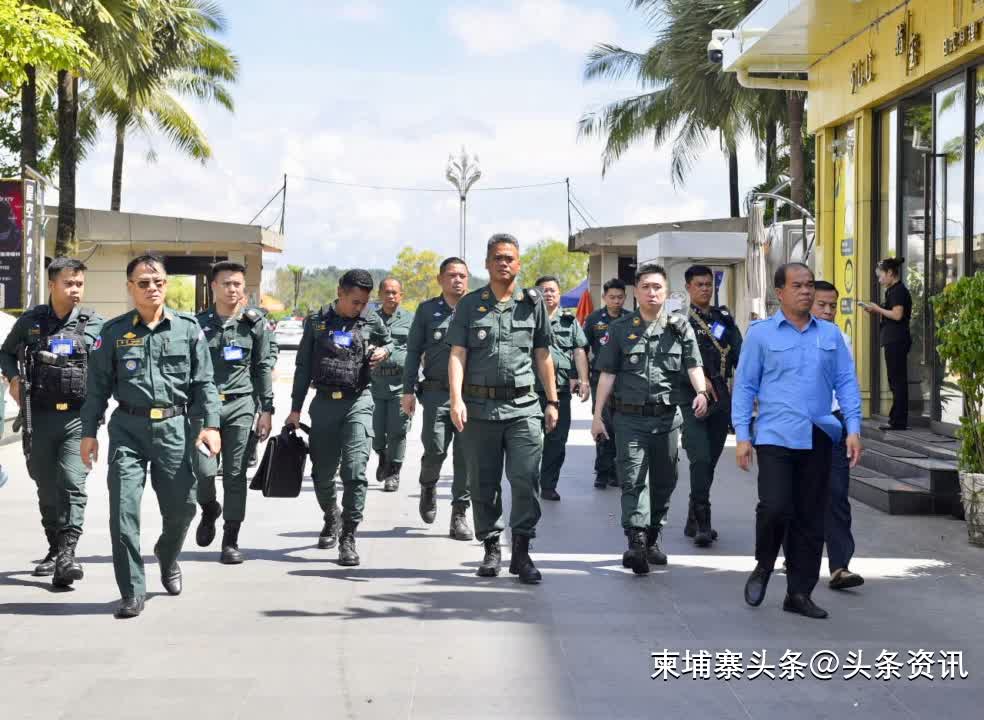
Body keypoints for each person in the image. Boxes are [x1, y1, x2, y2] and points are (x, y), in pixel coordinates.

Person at [81, 255, 221, 618]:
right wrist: (88, 432)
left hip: (175, 430)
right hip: (128, 430)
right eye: (143, 283)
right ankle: (132, 591)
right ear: (130, 288)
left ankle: (167, 554)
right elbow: (96, 389)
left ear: (166, 284)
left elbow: (205, 383)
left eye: (158, 281)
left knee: (183, 507)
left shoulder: (188, 329)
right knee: (123, 512)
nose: (152, 288)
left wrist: (211, 425)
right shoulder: (112, 333)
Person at [734, 263, 862, 620]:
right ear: (780, 293)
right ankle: (764, 564)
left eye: (809, 285)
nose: (806, 291)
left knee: (810, 516)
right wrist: (742, 436)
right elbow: (745, 386)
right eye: (798, 285)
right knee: (775, 506)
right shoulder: (761, 335)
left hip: (820, 434)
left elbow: (846, 382)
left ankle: (799, 592)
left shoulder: (831, 335)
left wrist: (853, 428)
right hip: (775, 435)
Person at [448, 234, 558, 584]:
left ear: (519, 264)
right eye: (497, 257)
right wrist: (456, 399)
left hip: (524, 406)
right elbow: (457, 354)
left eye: (509, 258)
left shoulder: (532, 303)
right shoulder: (470, 305)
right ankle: (492, 546)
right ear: (487, 263)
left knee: (525, 478)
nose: (503, 263)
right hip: (479, 409)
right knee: (484, 482)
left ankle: (521, 551)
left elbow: (543, 353)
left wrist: (552, 400)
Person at [592, 264, 709, 575]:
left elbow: (693, 364)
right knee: (632, 479)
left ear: (666, 292)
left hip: (667, 419)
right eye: (646, 287)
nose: (652, 292)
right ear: (636, 292)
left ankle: (653, 536)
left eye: (657, 287)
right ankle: (637, 541)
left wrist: (701, 392)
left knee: (664, 481)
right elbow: (607, 374)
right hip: (629, 419)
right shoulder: (620, 329)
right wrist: (597, 416)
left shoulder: (679, 327)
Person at [0, 258, 103, 587]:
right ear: (52, 285)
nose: (75, 290)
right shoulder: (31, 321)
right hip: (40, 417)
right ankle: (55, 547)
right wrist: (14, 378)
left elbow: (109, 364)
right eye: (68, 283)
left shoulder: (95, 324)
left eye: (79, 284)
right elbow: (5, 353)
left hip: (77, 419)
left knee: (73, 482)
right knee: (46, 486)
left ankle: (68, 554)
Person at [287, 270, 391, 566]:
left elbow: (392, 343)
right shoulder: (317, 321)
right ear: (340, 293)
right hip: (324, 404)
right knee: (322, 475)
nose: (360, 307)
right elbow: (302, 366)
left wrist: (384, 351)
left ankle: (348, 535)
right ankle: (332, 515)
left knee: (355, 471)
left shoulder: (371, 320)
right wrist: (295, 409)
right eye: (355, 302)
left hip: (358, 401)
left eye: (364, 302)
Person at [191, 261, 276, 565]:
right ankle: (209, 507)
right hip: (205, 406)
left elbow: (262, 367)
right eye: (226, 283)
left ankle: (230, 538)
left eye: (237, 284)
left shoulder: (255, 323)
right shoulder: (196, 324)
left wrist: (267, 409)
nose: (232, 289)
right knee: (203, 471)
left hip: (241, 404)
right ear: (213, 286)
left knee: (235, 473)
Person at [401, 257, 473, 540]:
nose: (458, 280)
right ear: (440, 279)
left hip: (470, 395)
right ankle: (428, 485)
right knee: (435, 449)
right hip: (435, 393)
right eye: (452, 275)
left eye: (462, 276)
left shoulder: (477, 308)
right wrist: (408, 390)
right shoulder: (427, 310)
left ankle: (459, 515)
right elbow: (412, 351)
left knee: (465, 456)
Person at [680, 265, 742, 547]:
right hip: (690, 397)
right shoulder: (679, 321)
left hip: (720, 397)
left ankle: (693, 516)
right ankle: (703, 522)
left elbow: (740, 354)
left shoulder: (723, 319)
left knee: (710, 461)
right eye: (699, 285)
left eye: (708, 284)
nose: (705, 289)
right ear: (688, 288)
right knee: (700, 458)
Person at [812, 281, 864, 591]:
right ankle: (797, 552)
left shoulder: (841, 339)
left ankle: (840, 566)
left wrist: (853, 429)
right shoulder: (781, 336)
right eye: (821, 305)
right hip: (798, 425)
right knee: (797, 495)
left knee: (836, 494)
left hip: (834, 422)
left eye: (832, 305)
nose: (828, 311)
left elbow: (848, 386)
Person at [534, 275, 590, 501]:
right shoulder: (527, 319)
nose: (548, 294)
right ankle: (528, 482)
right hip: (529, 391)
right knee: (529, 441)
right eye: (543, 290)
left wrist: (583, 379)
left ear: (559, 294)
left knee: (556, 441)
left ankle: (548, 485)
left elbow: (579, 350)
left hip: (560, 390)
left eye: (552, 290)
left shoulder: (569, 321)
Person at [582, 278, 627, 489]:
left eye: (620, 297)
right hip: (600, 379)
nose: (616, 301)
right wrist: (579, 377)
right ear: (604, 297)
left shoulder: (631, 319)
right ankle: (602, 471)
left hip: (624, 381)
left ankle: (616, 471)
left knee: (620, 425)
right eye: (612, 297)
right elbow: (581, 349)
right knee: (602, 422)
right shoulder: (594, 319)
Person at [371, 278, 413, 492]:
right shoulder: (370, 319)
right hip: (374, 384)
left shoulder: (411, 319)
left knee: (398, 431)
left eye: (395, 292)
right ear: (380, 294)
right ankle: (382, 455)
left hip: (400, 384)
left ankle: (393, 472)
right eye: (386, 292)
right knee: (375, 431)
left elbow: (419, 350)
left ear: (401, 295)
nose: (390, 296)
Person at [863, 257, 912, 431]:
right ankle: (896, 419)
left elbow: (897, 315)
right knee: (895, 380)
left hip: (897, 339)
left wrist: (877, 309)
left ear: (890, 273)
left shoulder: (898, 291)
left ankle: (898, 421)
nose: (879, 280)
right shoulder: (893, 291)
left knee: (897, 381)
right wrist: (876, 310)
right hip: (894, 339)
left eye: (880, 275)